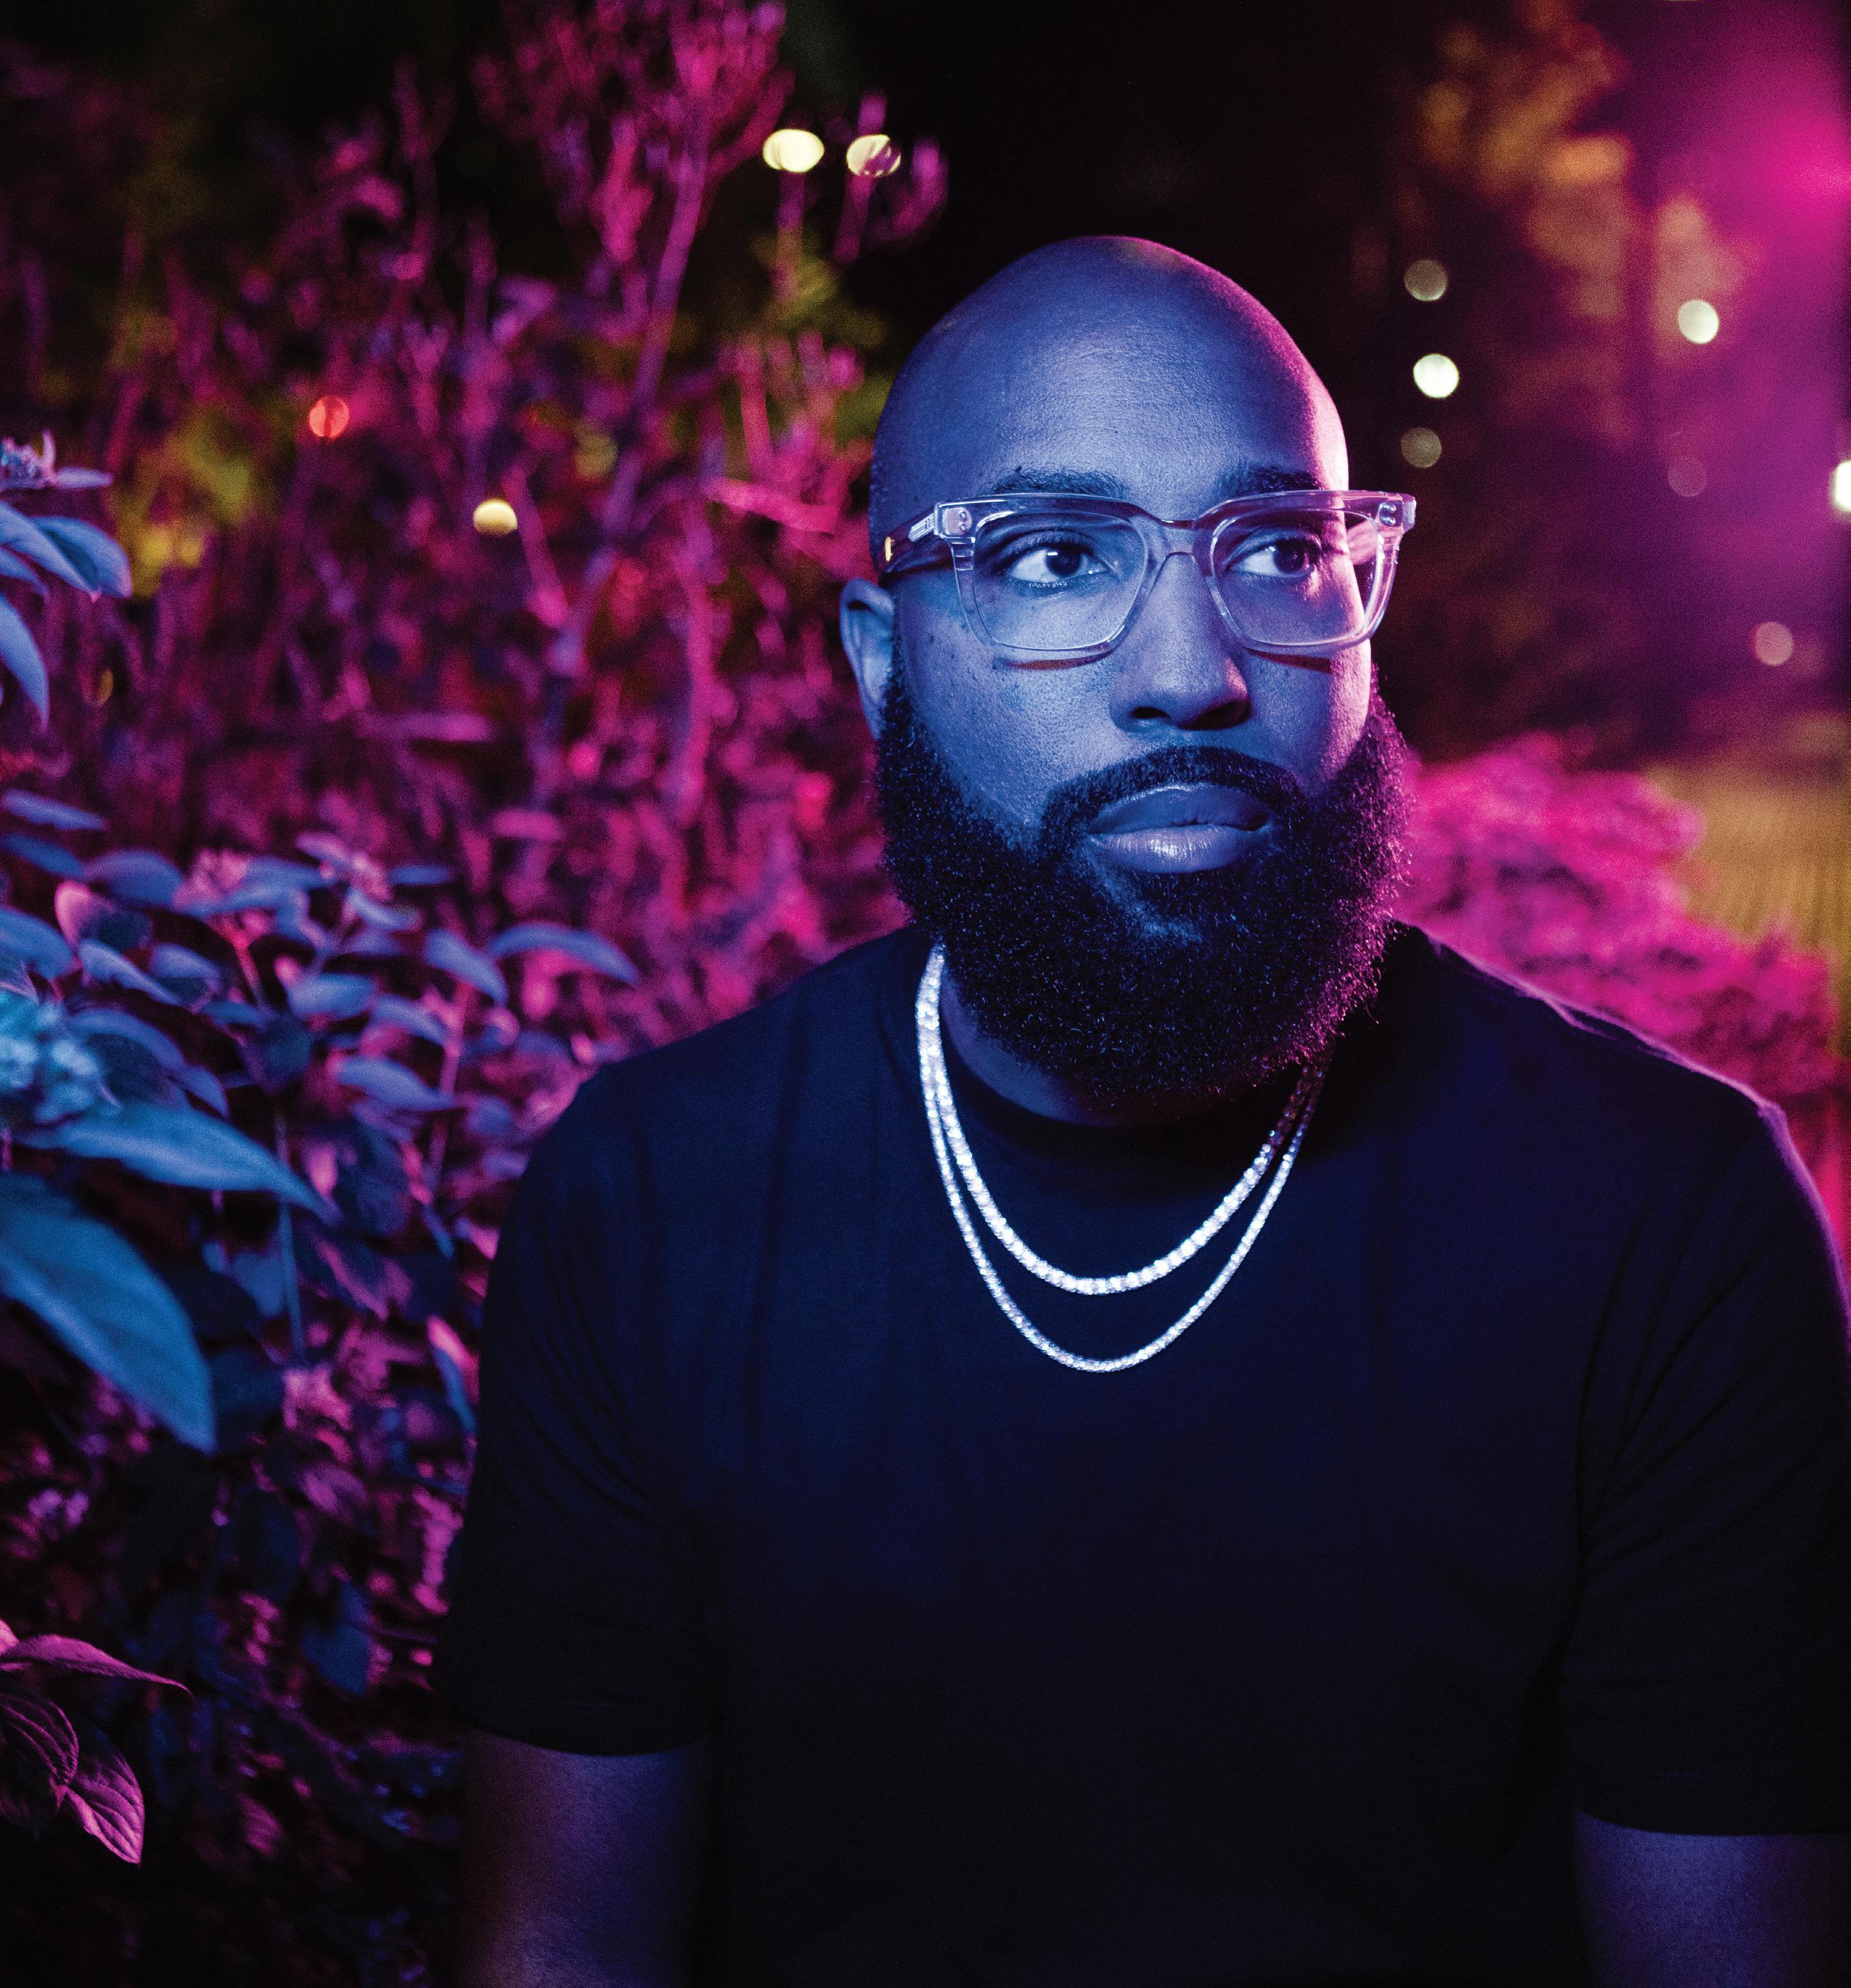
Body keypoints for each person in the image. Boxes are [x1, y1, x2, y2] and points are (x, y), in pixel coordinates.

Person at [438, 238, 1851, 1987]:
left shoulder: (1664, 1223)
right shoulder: (651, 1203)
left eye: (1279, 549)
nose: (1192, 669)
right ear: (884, 657)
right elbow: (560, 1947)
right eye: (1054, 555)